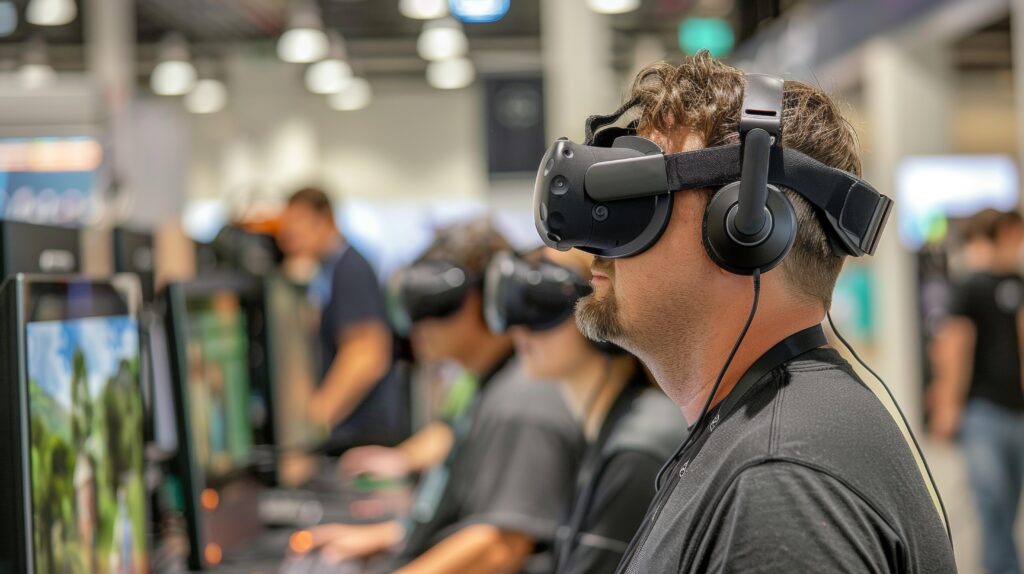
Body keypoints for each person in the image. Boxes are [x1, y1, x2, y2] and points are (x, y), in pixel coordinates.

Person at [541, 52, 954, 571]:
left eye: (637, 200)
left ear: (743, 229)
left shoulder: (780, 481)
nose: (596, 244)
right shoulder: (768, 434)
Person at [299, 220, 584, 574]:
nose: (419, 323)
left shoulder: (521, 401)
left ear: (491, 297)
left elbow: (500, 546)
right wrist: (389, 536)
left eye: (439, 302)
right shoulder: (490, 387)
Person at [486, 247, 687, 574]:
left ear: (601, 309)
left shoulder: (635, 449)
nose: (519, 327)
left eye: (542, 305)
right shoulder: (616, 428)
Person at [930, 209, 1024, 573]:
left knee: (1008, 507)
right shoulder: (971, 285)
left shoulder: (1017, 282)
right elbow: (956, 347)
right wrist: (947, 405)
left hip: (1017, 411)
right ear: (1000, 233)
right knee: (992, 504)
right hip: (983, 412)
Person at [277, 187, 406, 452]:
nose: (289, 235)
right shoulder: (327, 272)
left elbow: (367, 355)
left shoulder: (350, 269)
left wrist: (316, 418)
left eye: (298, 224)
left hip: (363, 434)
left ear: (326, 220)